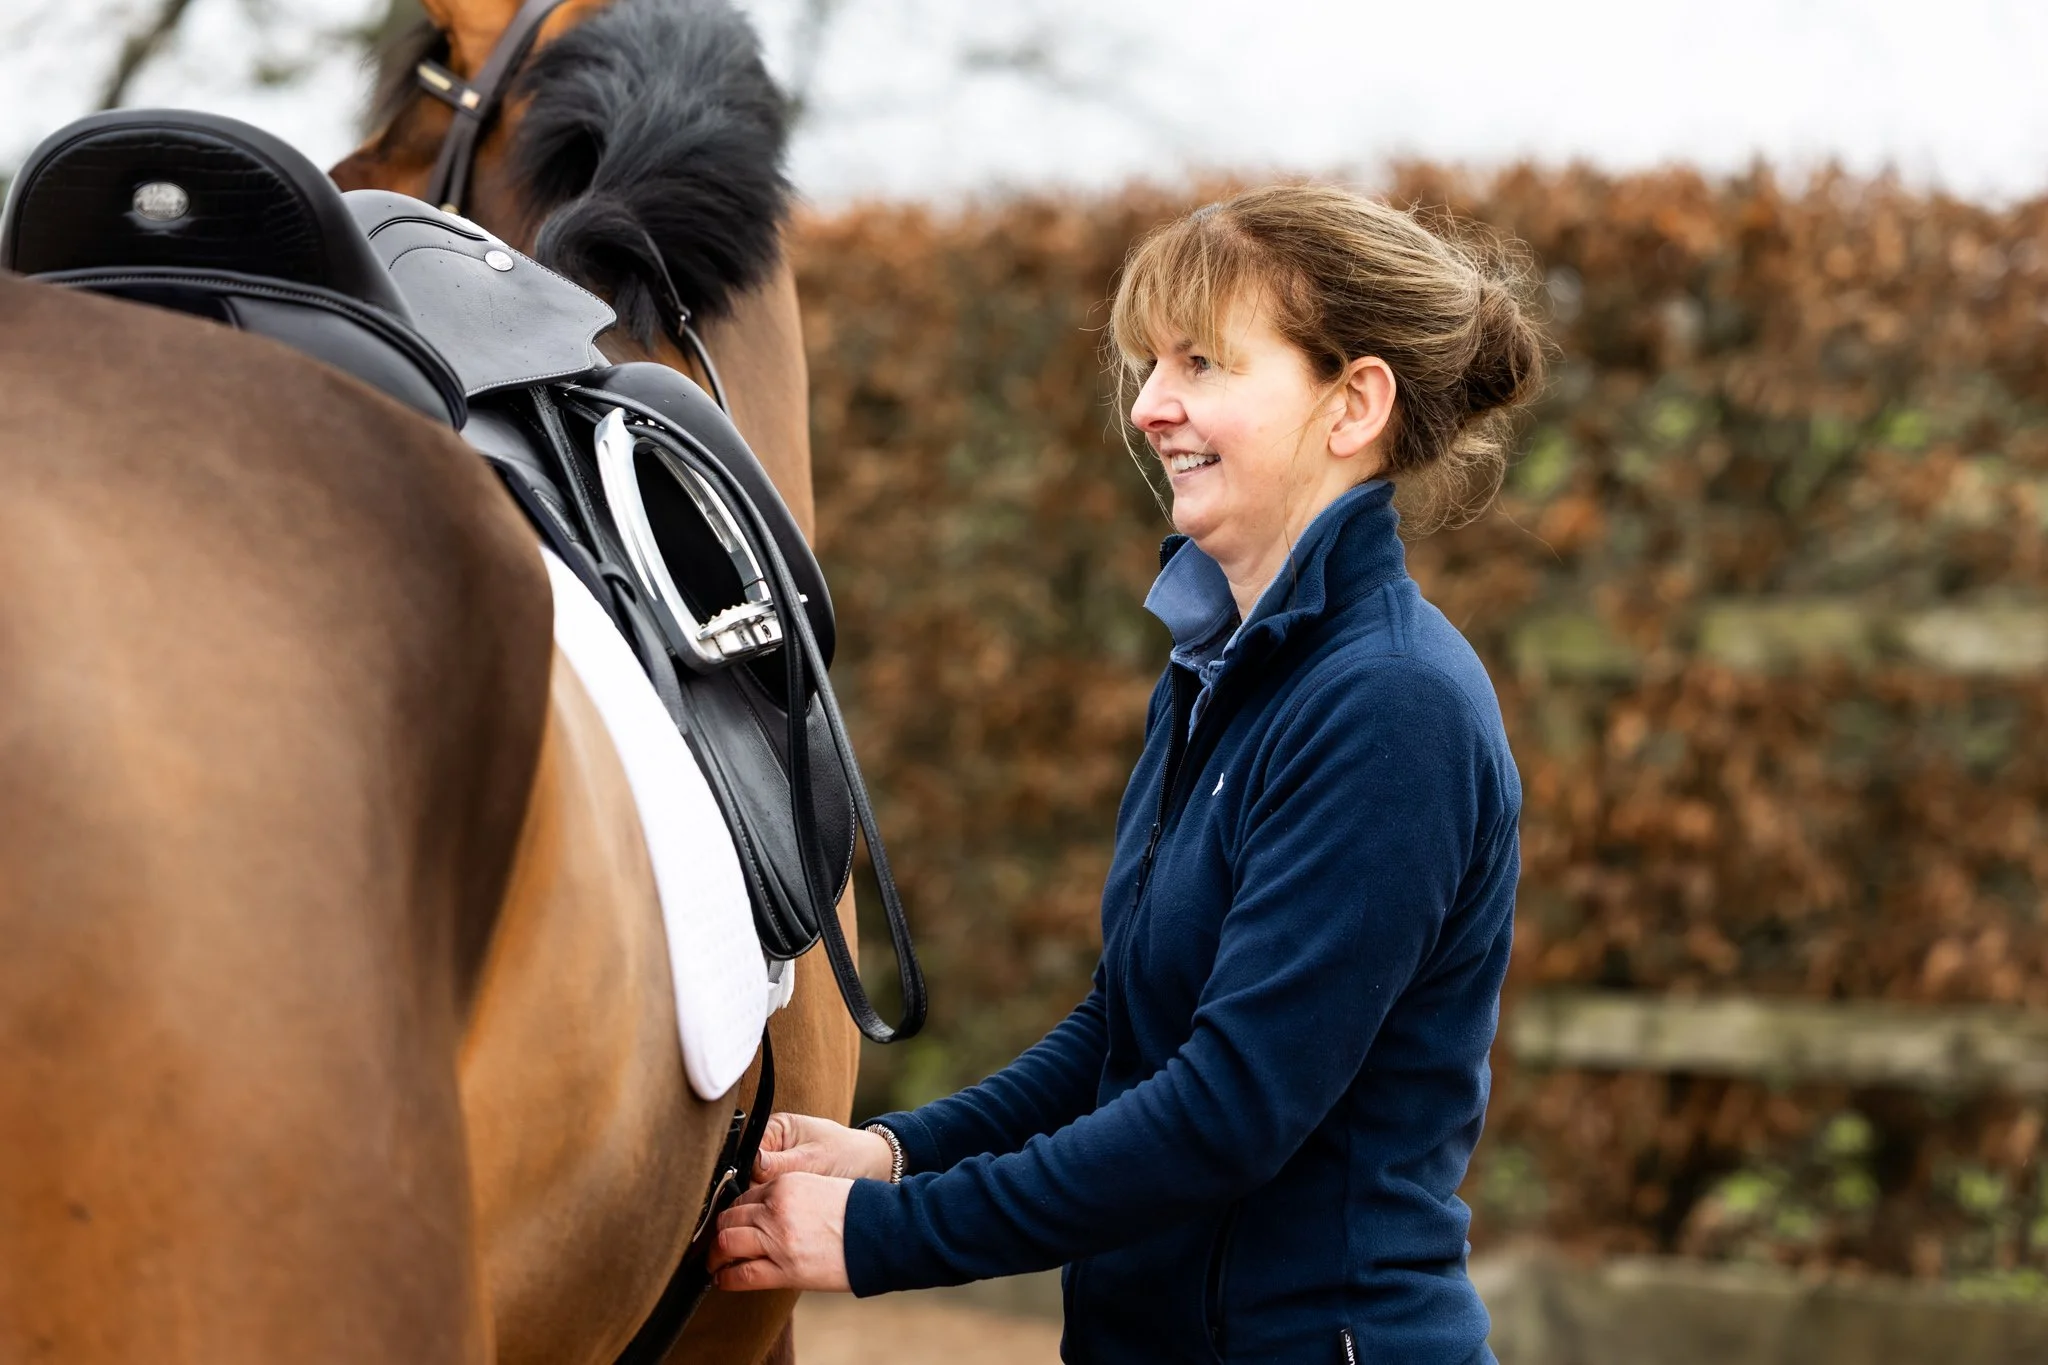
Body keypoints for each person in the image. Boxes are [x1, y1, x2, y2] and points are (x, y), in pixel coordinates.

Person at [708, 183, 1544, 1363]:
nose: (1151, 406)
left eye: (1201, 362)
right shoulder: (1217, 670)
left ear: (1352, 402)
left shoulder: (1391, 707)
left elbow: (1225, 1112)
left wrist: (887, 1234)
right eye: (1148, 367)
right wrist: (899, 1154)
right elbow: (1125, 1029)